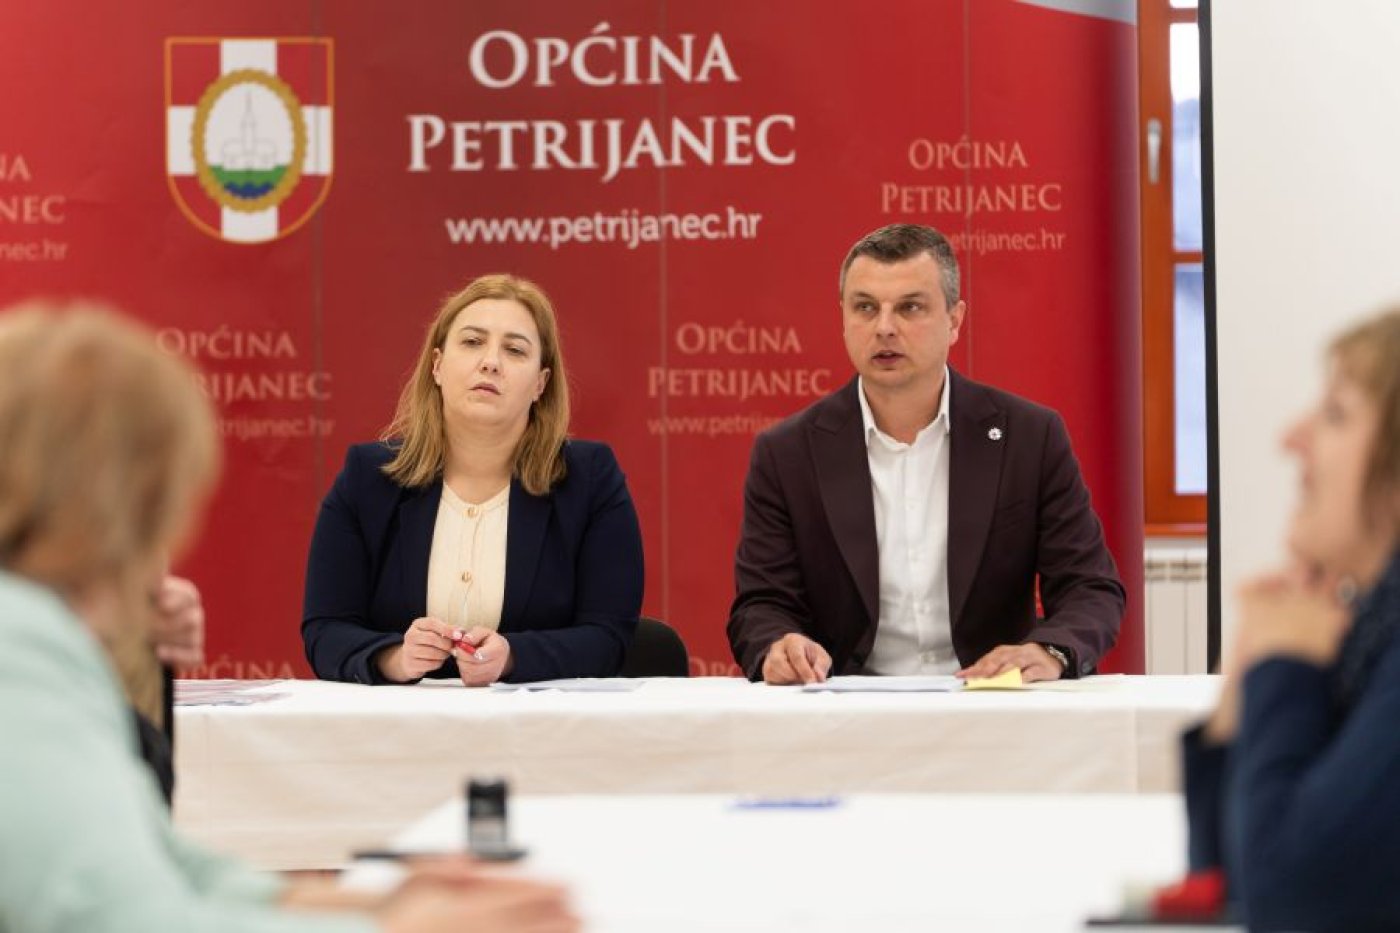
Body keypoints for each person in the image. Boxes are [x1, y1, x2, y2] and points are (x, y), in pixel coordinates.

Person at [0, 303, 578, 933]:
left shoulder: (40, 635)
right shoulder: (19, 650)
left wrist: (380, 903)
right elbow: (125, 918)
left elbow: (166, 864)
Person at [727, 224, 1124, 684]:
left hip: (989, 700)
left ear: (954, 321)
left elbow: (1090, 586)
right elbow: (761, 605)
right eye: (865, 307)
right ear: (843, 318)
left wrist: (1048, 650)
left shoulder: (1029, 437)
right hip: (847, 705)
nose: (884, 328)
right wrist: (779, 644)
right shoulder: (788, 453)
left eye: (910, 307)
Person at [303, 274, 644, 686]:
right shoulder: (368, 478)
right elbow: (326, 629)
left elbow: (609, 637)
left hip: (536, 723)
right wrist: (394, 658)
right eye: (472, 342)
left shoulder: (589, 480)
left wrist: (512, 657)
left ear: (540, 384)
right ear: (437, 366)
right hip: (399, 722)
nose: (491, 362)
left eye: (514, 350)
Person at [1182, 309, 1400, 931]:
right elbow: (1223, 882)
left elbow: (1293, 903)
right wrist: (1243, 691)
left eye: (1336, 415)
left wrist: (1286, 666)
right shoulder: (1371, 631)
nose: (1290, 438)